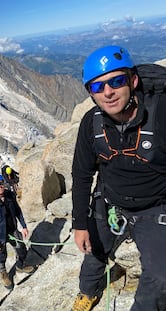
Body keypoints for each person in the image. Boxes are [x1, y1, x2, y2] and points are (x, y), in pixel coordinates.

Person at [71, 45, 166, 311]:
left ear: (133, 80)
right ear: (90, 93)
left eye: (116, 81)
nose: (108, 92)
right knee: (94, 252)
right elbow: (81, 174)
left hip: (155, 208)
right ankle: (88, 291)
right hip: (110, 202)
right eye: (98, 87)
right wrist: (80, 224)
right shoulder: (92, 124)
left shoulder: (161, 114)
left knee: (161, 277)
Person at [0, 173, 34, 289]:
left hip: (12, 230)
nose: (0, 186)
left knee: (21, 249)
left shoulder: (10, 195)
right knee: (1, 255)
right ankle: (3, 274)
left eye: (1, 183)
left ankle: (20, 265)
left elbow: (17, 211)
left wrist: (23, 226)